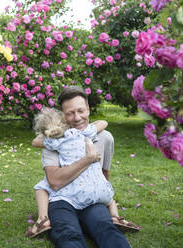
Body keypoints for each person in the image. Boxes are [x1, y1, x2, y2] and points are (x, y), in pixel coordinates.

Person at [29, 86, 135, 247]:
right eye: (70, 113)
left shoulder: (104, 137)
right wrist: (89, 158)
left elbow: (104, 173)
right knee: (68, 234)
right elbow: (55, 182)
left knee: (106, 228)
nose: (77, 118)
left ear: (88, 110)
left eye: (81, 111)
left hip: (91, 200)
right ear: (62, 116)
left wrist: (107, 203)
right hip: (62, 200)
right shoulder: (54, 140)